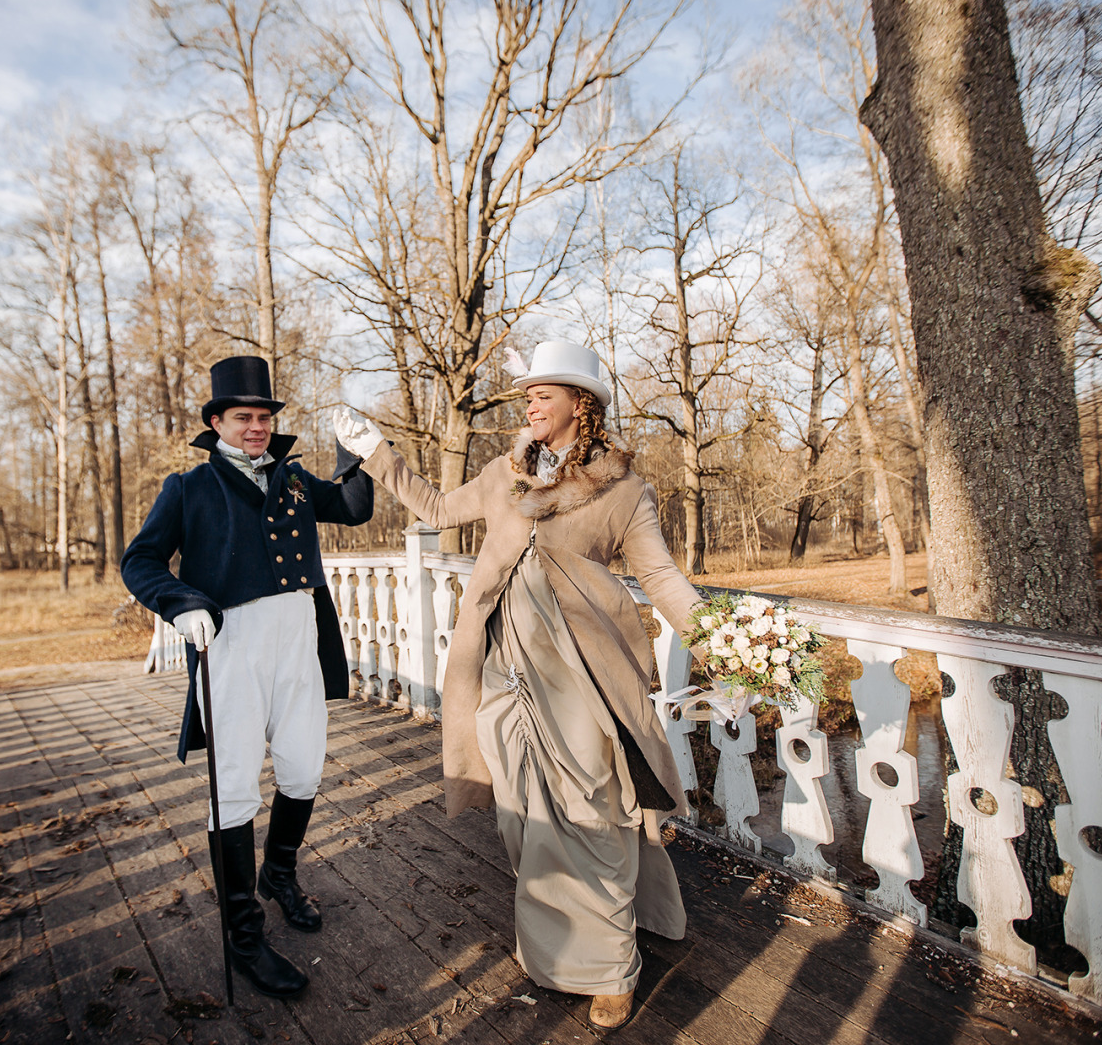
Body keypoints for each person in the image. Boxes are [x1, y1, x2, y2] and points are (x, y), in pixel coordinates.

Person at [333, 340, 703, 1030]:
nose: (529, 404)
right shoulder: (503, 475)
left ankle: (612, 967)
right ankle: (566, 948)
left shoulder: (623, 488)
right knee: (526, 816)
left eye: (543, 393)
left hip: (586, 678)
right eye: (527, 394)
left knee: (596, 813)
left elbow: (659, 577)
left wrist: (719, 634)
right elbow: (439, 509)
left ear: (578, 404)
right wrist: (377, 452)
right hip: (505, 675)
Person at [122, 355, 374, 999]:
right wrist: (181, 604)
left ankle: (279, 874)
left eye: (264, 417)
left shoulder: (291, 479)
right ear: (216, 423)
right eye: (244, 417)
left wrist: (357, 451)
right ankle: (243, 937)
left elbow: (350, 509)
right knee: (233, 787)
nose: (256, 426)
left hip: (299, 641)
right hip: (230, 645)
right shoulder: (188, 488)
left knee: (304, 767)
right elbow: (141, 560)